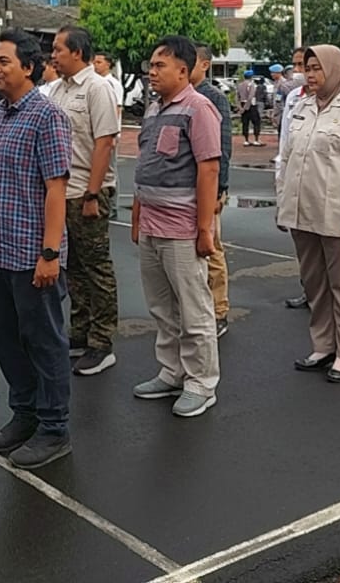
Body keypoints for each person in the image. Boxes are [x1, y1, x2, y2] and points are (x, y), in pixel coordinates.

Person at [0, 28, 73, 469]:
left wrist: (50, 254)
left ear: (28, 67)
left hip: (33, 254)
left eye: (4, 62)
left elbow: (56, 188)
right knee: (5, 336)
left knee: (44, 342)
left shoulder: (46, 116)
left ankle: (54, 428)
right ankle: (25, 414)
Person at [277, 45, 340, 382]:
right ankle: (323, 345)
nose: (309, 74)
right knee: (315, 286)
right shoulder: (301, 107)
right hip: (302, 213)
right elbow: (286, 158)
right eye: (307, 68)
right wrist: (283, 202)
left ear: (336, 70)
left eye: (317, 68)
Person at [131, 35, 222, 418]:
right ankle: (172, 372)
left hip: (182, 228)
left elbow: (209, 168)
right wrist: (137, 216)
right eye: (151, 66)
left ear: (183, 71)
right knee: (161, 307)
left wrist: (204, 229)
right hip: (152, 225)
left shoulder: (199, 109)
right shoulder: (154, 110)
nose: (152, 72)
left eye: (160, 66)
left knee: (194, 310)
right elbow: (147, 163)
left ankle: (201, 383)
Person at [49, 25, 121, 376]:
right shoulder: (57, 89)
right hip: (62, 192)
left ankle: (102, 342)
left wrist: (93, 194)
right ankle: (80, 332)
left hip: (86, 192)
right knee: (74, 267)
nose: (53, 56)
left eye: (58, 49)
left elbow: (104, 143)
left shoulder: (97, 87)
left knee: (97, 268)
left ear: (77, 52)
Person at [190, 44, 232, 337]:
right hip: (185, 187)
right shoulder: (176, 96)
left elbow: (223, 147)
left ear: (204, 64)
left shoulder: (213, 97)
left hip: (210, 186)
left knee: (212, 249)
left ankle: (219, 311)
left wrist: (219, 190)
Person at [274, 47, 312, 309]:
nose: (299, 72)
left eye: (306, 66)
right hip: (296, 181)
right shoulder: (293, 98)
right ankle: (309, 289)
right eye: (297, 65)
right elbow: (284, 144)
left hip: (325, 185)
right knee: (304, 246)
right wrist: (281, 189)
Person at [93, 51, 124, 221]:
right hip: (98, 133)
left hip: (110, 133)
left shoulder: (113, 84)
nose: (95, 65)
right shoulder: (96, 83)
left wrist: (112, 133)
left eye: (99, 62)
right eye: (94, 62)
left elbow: (116, 109)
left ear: (108, 64)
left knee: (110, 170)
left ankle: (113, 205)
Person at [236, 71, 261, 145]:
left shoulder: (239, 85)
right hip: (251, 105)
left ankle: (246, 140)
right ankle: (256, 140)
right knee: (256, 122)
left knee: (245, 122)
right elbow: (250, 96)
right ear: (251, 77)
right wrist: (246, 107)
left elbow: (237, 97)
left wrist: (240, 107)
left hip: (242, 103)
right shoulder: (252, 84)